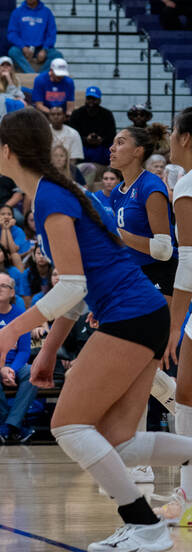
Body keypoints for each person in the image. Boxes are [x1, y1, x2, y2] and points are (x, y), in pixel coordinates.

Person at [0, 108, 185, 552]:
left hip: (131, 315)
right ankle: (144, 525)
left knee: (70, 426)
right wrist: (49, 349)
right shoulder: (65, 191)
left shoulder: (51, 196)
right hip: (141, 313)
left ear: (8, 151)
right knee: (119, 444)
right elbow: (77, 289)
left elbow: (71, 285)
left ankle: (146, 527)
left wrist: (13, 330)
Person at [157, 108, 192, 523]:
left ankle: (186, 497)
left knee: (185, 394)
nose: (168, 140)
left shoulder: (185, 185)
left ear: (185, 138)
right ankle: (186, 494)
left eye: (172, 133)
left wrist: (173, 325)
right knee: (184, 393)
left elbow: (189, 263)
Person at [109, 124, 179, 301]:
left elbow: (164, 250)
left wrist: (118, 233)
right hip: (132, 274)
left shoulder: (151, 186)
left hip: (160, 272)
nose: (112, 148)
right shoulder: (117, 192)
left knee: (157, 329)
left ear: (137, 151)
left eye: (120, 143)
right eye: (113, 143)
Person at [7, 0, 63, 73]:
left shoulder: (46, 12)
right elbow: (11, 33)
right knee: (13, 51)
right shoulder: (17, 12)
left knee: (57, 55)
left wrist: (45, 49)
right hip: (23, 48)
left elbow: (51, 34)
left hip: (41, 48)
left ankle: (41, 75)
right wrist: (23, 47)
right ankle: (32, 75)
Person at [70, 86, 116, 168]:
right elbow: (73, 134)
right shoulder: (77, 113)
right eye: (89, 98)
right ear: (85, 99)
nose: (91, 102)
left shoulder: (107, 114)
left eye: (94, 99)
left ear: (99, 100)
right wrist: (86, 139)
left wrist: (101, 139)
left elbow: (112, 134)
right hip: (82, 146)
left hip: (101, 147)